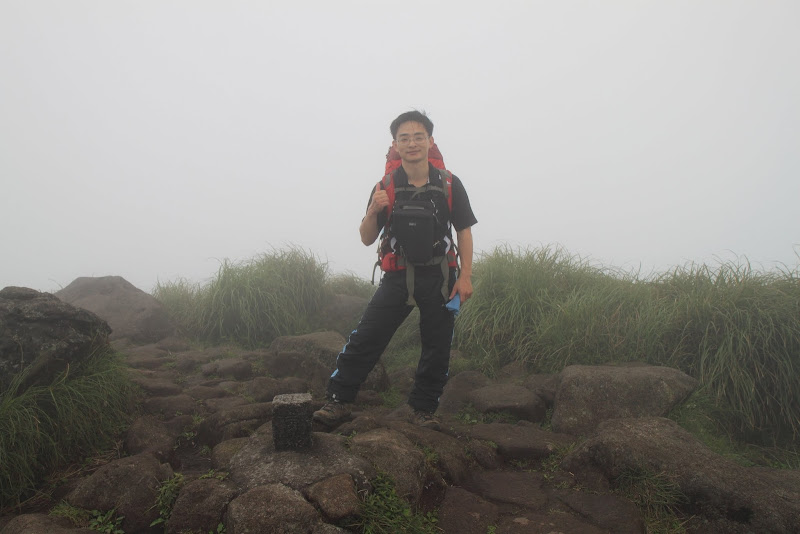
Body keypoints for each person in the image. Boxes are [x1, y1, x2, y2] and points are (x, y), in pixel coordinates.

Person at [313, 110, 477, 430]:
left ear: (430, 141)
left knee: (437, 346)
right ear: (395, 144)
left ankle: (422, 409)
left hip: (440, 276)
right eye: (404, 138)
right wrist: (373, 210)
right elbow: (366, 238)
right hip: (397, 276)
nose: (412, 143)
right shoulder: (385, 186)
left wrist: (466, 276)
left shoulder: (449, 184)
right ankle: (338, 400)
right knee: (367, 337)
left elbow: (464, 231)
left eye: (418, 137)